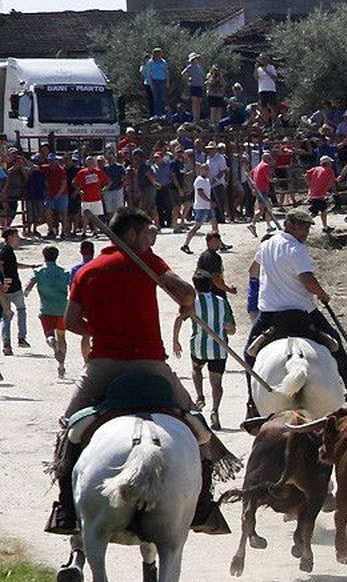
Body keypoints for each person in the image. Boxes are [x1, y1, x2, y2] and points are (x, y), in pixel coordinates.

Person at [45, 209, 232, 536]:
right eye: (147, 234)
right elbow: (187, 293)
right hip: (150, 364)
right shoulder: (149, 262)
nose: (151, 239)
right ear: (131, 234)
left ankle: (64, 507)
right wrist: (186, 306)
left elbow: (72, 323)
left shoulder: (87, 271)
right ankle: (203, 504)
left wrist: (102, 331)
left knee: (68, 427)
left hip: (103, 365)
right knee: (193, 418)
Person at [243, 209, 347, 418]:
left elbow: (253, 271)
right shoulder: (297, 249)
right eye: (302, 226)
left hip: (270, 313)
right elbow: (307, 279)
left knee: (248, 356)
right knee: (336, 342)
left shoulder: (267, 245)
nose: (306, 231)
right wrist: (322, 294)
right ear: (289, 224)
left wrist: (270, 282)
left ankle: (251, 404)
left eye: (308, 227)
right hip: (302, 312)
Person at [172, 267, 234, 430]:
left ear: (195, 286)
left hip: (199, 347)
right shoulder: (222, 302)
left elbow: (179, 319)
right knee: (217, 383)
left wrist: (175, 341)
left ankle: (200, 395)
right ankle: (215, 410)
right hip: (219, 348)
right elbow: (231, 329)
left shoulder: (193, 303)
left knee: (196, 369)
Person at [25, 245, 71, 377]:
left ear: (44, 256)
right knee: (62, 337)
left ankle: (52, 342)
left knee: (49, 335)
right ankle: (61, 366)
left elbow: (30, 284)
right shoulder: (64, 272)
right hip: (62, 309)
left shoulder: (39, 271)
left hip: (46, 310)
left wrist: (26, 292)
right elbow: (72, 287)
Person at [2, 225, 34, 352]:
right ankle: (21, 338)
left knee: (7, 315)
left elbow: (14, 266)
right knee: (20, 310)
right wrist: (3, 280)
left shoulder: (7, 251)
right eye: (16, 236)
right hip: (12, 288)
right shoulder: (5, 251)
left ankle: (7, 344)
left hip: (9, 288)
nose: (18, 239)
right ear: (10, 237)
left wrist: (30, 266)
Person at [181, 165, 218, 253]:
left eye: (207, 169)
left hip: (207, 206)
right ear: (200, 170)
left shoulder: (207, 180)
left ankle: (220, 243)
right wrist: (210, 201)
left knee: (214, 223)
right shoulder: (199, 180)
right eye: (204, 169)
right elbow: (200, 193)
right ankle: (185, 245)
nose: (206, 171)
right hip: (201, 207)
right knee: (197, 226)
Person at [305, 155, 337, 232]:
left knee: (322, 210)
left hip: (313, 192)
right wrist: (333, 191)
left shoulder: (315, 169)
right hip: (320, 194)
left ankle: (325, 227)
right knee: (317, 212)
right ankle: (303, 224)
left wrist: (309, 184)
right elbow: (332, 183)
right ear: (327, 163)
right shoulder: (329, 170)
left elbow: (306, 175)